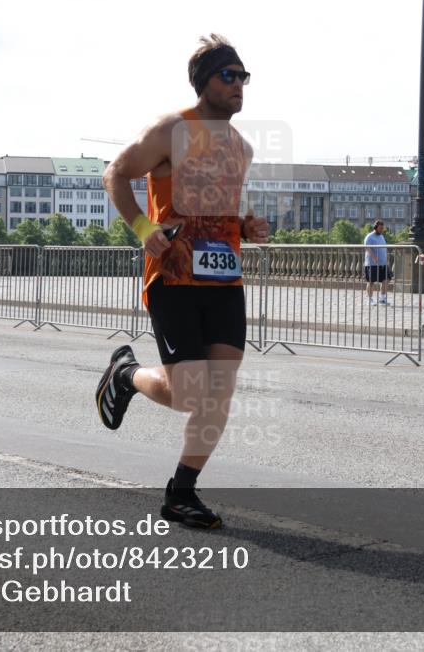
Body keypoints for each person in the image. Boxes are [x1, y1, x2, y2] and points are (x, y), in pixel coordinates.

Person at [96, 34, 269, 529]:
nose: (239, 86)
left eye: (244, 77)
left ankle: (181, 494)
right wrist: (144, 228)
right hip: (173, 277)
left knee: (220, 393)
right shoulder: (172, 130)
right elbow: (117, 173)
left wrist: (245, 228)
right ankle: (126, 375)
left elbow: (220, 213)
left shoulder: (241, 148)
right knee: (191, 393)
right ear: (204, 83)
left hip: (224, 282)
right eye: (228, 76)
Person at [364, 220, 391, 305]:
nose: (382, 230)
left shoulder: (381, 236)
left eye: (382, 228)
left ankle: (382, 298)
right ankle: (370, 299)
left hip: (383, 263)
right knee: (371, 281)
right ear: (375, 227)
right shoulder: (369, 236)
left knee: (386, 279)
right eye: (380, 228)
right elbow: (367, 247)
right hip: (372, 263)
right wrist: (374, 257)